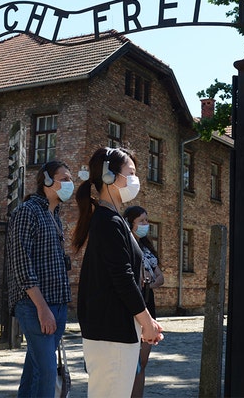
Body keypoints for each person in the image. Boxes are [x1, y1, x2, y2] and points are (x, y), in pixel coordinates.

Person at [71, 147, 164, 397]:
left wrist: (145, 322)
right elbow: (122, 278)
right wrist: (147, 322)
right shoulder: (108, 222)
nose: (135, 180)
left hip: (116, 332)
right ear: (110, 177)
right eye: (130, 173)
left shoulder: (113, 220)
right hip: (111, 334)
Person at [6, 160, 75, 398]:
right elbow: (21, 262)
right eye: (64, 178)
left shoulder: (54, 216)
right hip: (35, 305)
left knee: (34, 369)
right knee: (46, 371)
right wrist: (42, 307)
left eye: (70, 179)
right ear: (46, 180)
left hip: (57, 303)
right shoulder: (27, 211)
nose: (70, 183)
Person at [123, 205, 165, 398]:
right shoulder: (126, 245)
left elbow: (159, 277)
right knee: (131, 362)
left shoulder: (147, 248)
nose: (146, 224)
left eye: (147, 220)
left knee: (142, 361)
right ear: (131, 223)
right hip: (132, 305)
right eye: (142, 221)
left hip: (148, 302)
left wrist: (149, 284)